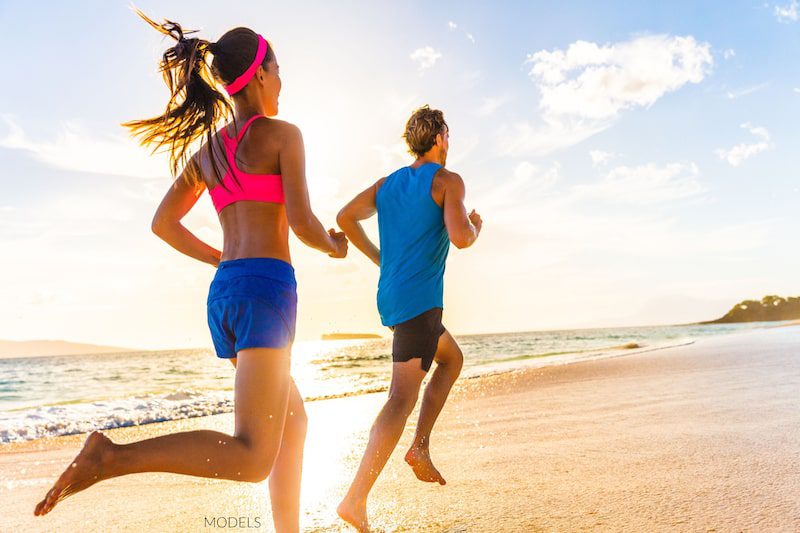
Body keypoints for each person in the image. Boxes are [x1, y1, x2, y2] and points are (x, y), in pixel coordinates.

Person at [33, 12, 347, 533]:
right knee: (252, 457)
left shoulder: (208, 153)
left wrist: (222, 260)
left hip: (226, 295)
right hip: (266, 293)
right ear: (263, 74)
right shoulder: (283, 135)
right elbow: (303, 222)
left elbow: (163, 223)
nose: (284, 82)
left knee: (293, 424)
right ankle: (110, 457)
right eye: (280, 70)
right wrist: (333, 246)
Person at [335, 105, 482, 531]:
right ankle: (355, 498)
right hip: (420, 301)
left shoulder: (388, 185)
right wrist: (475, 226)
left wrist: (382, 260)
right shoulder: (447, 181)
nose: (449, 143)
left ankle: (420, 446)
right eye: (448, 135)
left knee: (451, 359)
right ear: (438, 137)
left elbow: (345, 218)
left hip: (396, 299)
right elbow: (461, 239)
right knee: (401, 398)